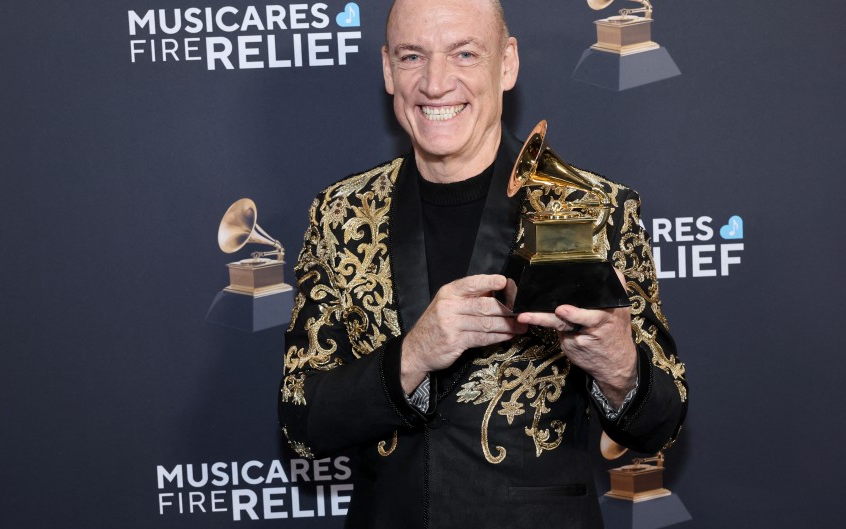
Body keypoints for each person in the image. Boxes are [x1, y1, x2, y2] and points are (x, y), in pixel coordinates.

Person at [279, 0, 687, 527]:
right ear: (387, 70)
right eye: (411, 57)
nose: (435, 83)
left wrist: (620, 369)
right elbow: (301, 421)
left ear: (508, 63)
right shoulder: (339, 214)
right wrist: (415, 354)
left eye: (465, 53)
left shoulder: (597, 209)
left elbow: (663, 423)